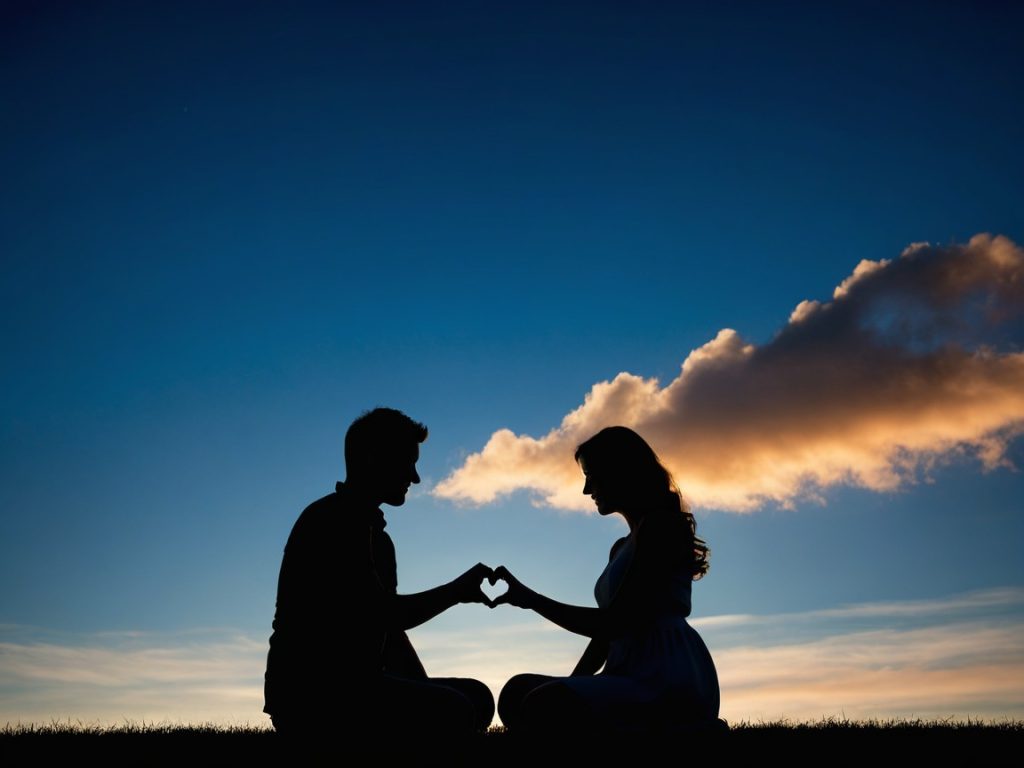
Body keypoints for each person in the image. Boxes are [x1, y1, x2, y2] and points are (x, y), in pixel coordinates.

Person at [263, 407, 495, 742]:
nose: (415, 478)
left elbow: (391, 632)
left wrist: (423, 689)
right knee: (457, 708)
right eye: (408, 463)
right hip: (314, 697)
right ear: (374, 458)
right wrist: (456, 591)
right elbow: (382, 611)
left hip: (361, 684)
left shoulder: (378, 537)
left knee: (477, 697)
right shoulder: (333, 520)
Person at [493, 426, 721, 734]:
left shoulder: (661, 528)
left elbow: (615, 623)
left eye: (591, 475)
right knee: (517, 693)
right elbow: (604, 639)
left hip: (666, 675)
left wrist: (532, 600)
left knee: (540, 703)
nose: (587, 490)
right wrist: (575, 683)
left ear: (619, 472)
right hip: (626, 672)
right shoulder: (620, 547)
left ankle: (687, 728)